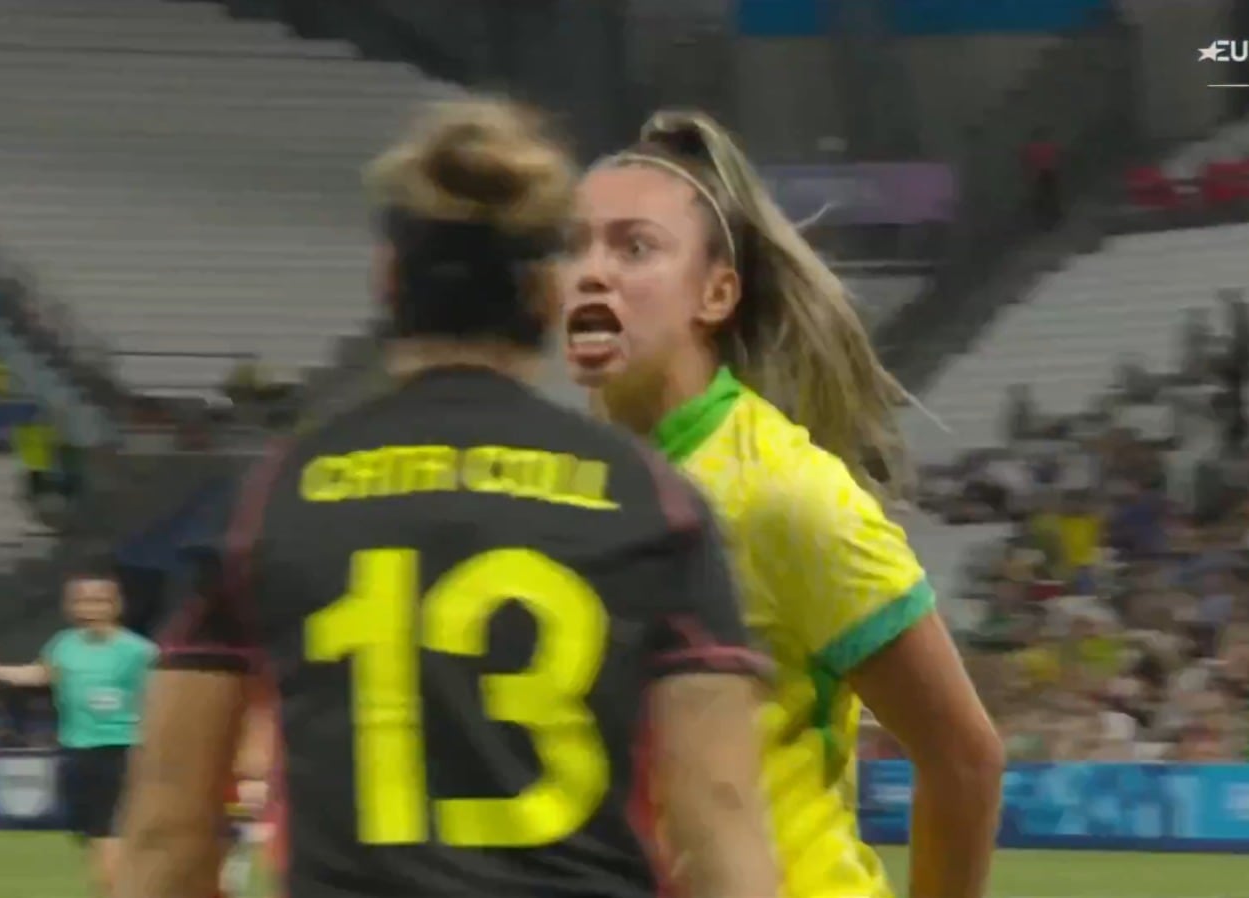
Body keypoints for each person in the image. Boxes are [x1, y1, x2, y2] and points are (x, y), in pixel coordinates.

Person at [115, 98, 778, 898]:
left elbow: (165, 840)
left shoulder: (266, 503)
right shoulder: (654, 505)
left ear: (388, 281)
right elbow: (720, 818)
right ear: (544, 295)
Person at [561, 109, 1006, 898]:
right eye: (575, 245)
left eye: (634, 247)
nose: (591, 273)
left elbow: (963, 758)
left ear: (716, 292)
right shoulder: (570, 488)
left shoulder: (783, 494)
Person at [0, 572, 156, 898]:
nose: (90, 607)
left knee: (109, 835)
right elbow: (41, 674)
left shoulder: (139, 651)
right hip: (76, 751)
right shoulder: (63, 644)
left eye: (99, 600)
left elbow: (162, 699)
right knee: (93, 837)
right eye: (82, 600)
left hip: (122, 750)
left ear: (116, 605)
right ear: (70, 605)